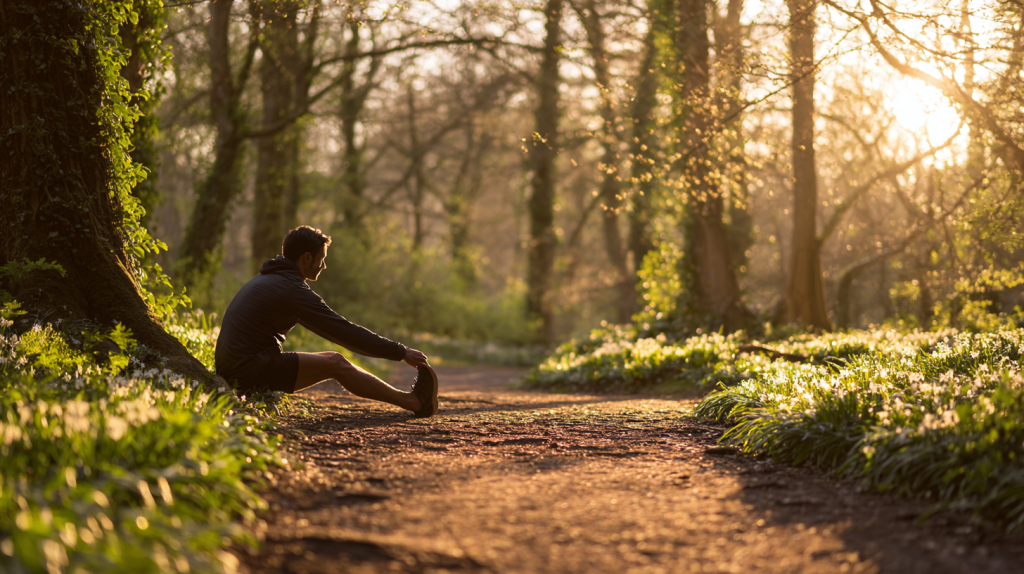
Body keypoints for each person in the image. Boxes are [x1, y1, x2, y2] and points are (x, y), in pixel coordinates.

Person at [214, 225, 438, 417]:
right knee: (336, 363)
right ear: (307, 258)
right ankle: (415, 402)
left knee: (334, 360)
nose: (324, 266)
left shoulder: (271, 277)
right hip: (249, 369)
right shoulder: (290, 289)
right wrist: (400, 351)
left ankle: (413, 401)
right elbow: (343, 332)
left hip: (239, 367)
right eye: (322, 259)